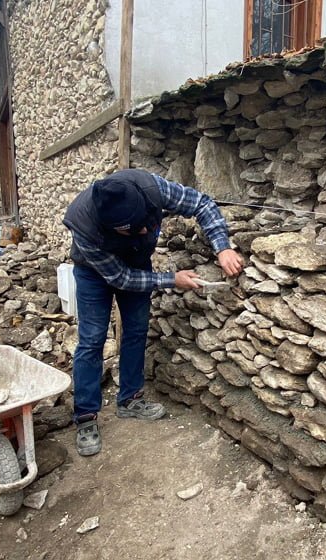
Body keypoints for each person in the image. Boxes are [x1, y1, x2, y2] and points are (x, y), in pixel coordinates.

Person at [62, 169, 244, 457]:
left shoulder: (151, 188)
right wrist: (171, 279)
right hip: (94, 272)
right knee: (92, 339)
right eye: (134, 228)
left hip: (136, 262)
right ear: (112, 227)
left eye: (146, 222)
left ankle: (131, 400)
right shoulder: (83, 223)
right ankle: (86, 417)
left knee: (135, 331)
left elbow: (202, 204)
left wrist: (222, 248)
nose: (146, 231)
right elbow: (121, 278)